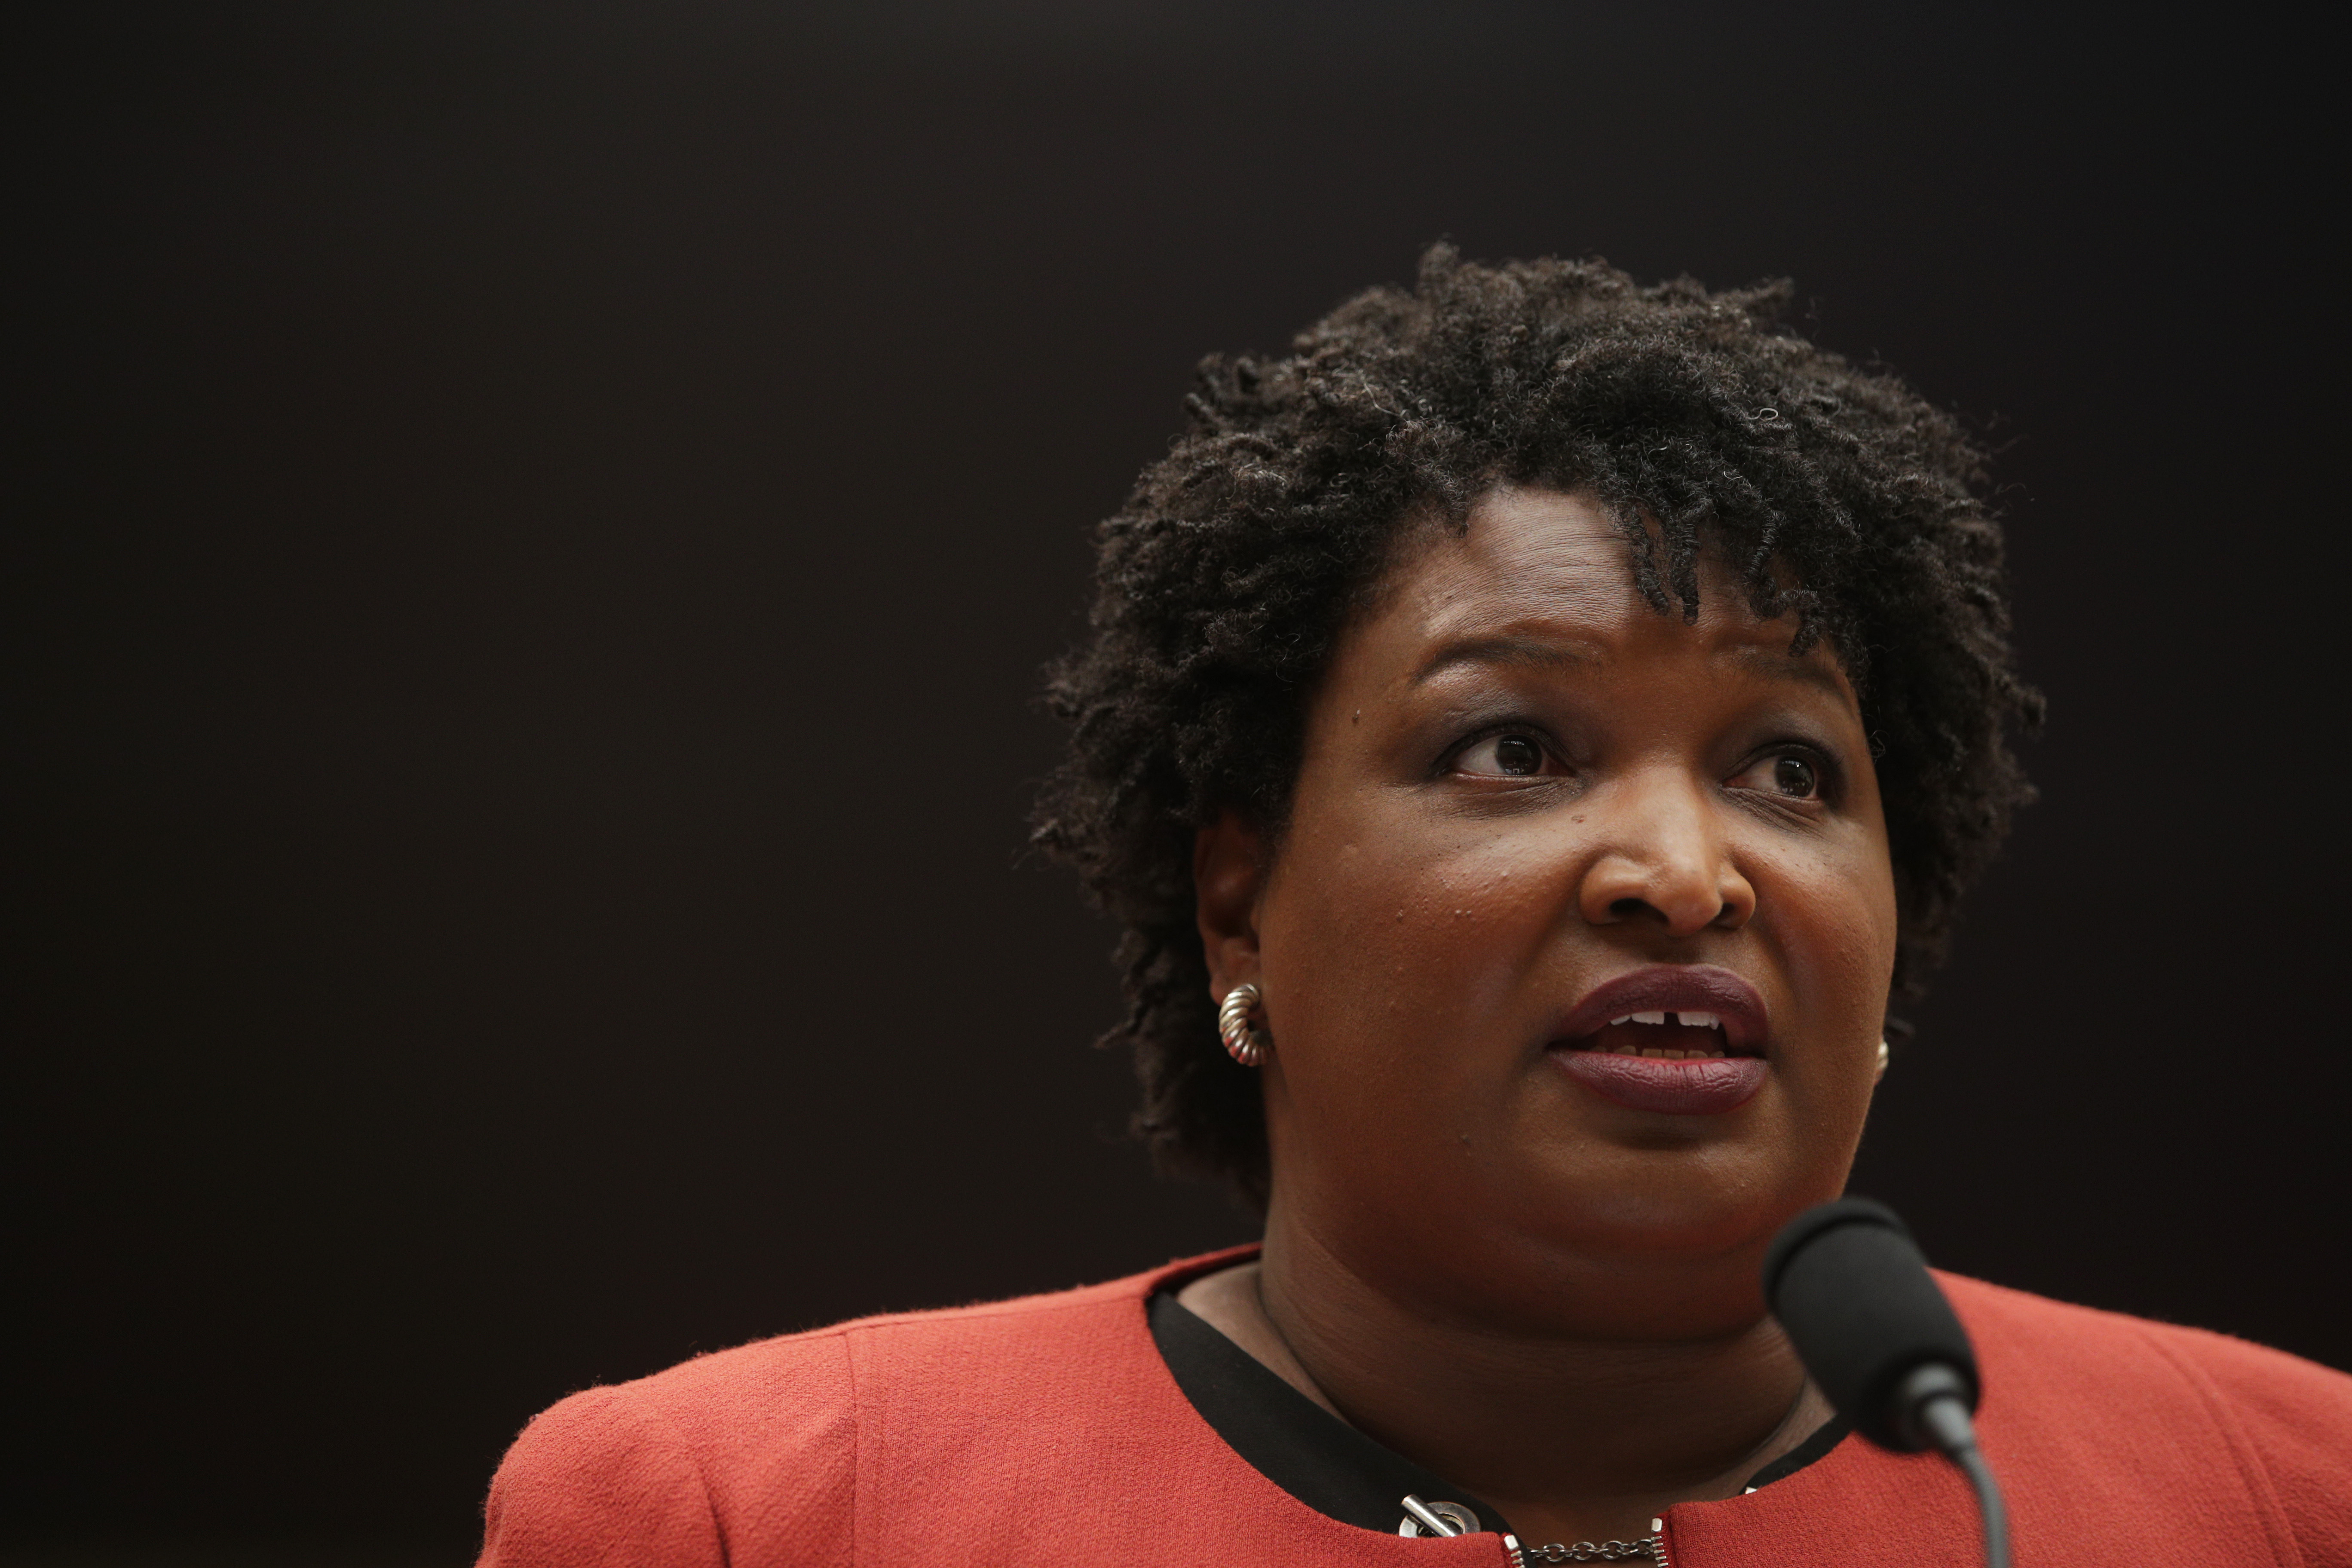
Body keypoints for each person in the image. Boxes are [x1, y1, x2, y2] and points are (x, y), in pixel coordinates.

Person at [474, 248, 2352, 1566]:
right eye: (1516, 748)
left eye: (1789, 769)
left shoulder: (2289, 1497)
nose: (1686, 872)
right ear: (1239, 903)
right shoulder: (758, 1516)